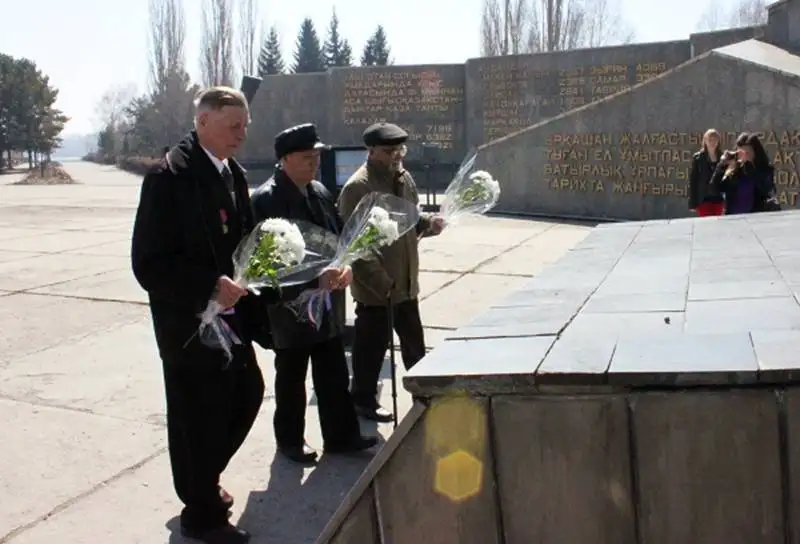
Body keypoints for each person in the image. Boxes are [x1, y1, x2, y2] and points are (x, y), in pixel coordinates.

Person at [131, 86, 272, 544]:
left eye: (245, 126)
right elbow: (149, 263)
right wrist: (209, 285)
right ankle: (201, 513)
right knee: (199, 416)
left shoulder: (233, 174)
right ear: (204, 122)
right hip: (188, 326)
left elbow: (245, 242)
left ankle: (201, 480)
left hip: (231, 321)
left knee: (247, 392)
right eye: (234, 126)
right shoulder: (168, 178)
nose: (242, 135)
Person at [250, 123, 378, 463]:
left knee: (334, 371)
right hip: (290, 308)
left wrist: (346, 266)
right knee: (292, 376)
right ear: (286, 159)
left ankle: (341, 436)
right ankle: (290, 441)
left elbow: (337, 238)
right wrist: (310, 283)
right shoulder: (266, 200)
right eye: (307, 157)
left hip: (327, 302)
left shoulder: (319, 191)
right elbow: (264, 267)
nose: (315, 163)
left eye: (317, 156)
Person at [337, 122, 444, 422]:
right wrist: (382, 283)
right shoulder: (358, 187)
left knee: (415, 346)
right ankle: (363, 400)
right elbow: (356, 243)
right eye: (388, 151)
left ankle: (425, 395)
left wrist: (427, 223)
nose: (396, 155)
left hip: (406, 281)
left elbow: (411, 216)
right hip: (378, 289)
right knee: (370, 349)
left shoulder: (404, 177)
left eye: (399, 149)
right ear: (370, 151)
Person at [710, 131, 780, 215]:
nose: (745, 156)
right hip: (733, 219)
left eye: (748, 152)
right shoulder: (734, 171)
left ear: (755, 152)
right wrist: (721, 164)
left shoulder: (764, 169)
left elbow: (766, 189)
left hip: (757, 218)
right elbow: (714, 189)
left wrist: (749, 166)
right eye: (742, 153)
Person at [689, 128, 724, 217]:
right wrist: (692, 203)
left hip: (718, 198)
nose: (712, 142)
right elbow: (693, 180)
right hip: (703, 199)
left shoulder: (723, 157)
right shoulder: (698, 158)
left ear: (718, 141)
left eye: (715, 139)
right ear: (705, 141)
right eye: (709, 139)